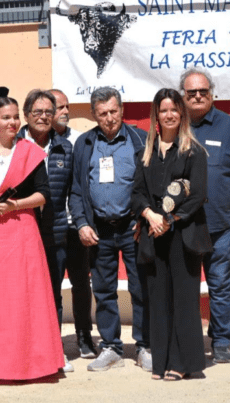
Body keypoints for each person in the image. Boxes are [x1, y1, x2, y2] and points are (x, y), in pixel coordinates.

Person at [0, 89, 63, 381]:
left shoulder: (31, 152)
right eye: (6, 117)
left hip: (21, 233)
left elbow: (44, 194)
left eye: (16, 117)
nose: (13, 122)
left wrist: (14, 205)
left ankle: (30, 364)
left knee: (23, 300)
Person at [180, 68, 230, 364]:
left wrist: (226, 198)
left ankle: (220, 342)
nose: (198, 96)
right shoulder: (175, 126)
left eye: (203, 91)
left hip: (220, 227)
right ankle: (187, 339)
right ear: (183, 97)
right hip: (184, 226)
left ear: (212, 93)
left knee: (219, 286)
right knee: (186, 287)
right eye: (192, 93)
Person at [68, 87, 152, 373]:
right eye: (102, 113)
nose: (109, 118)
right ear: (94, 115)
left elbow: (152, 184)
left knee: (142, 287)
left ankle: (144, 346)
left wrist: (145, 219)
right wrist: (81, 222)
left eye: (114, 111)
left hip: (134, 228)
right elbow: (77, 189)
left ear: (122, 110)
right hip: (99, 230)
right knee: (104, 291)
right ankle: (112, 347)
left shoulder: (140, 139)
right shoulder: (85, 143)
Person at [132, 88, 211, 380]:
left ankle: (182, 362)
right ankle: (161, 360)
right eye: (163, 110)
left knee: (184, 300)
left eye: (174, 110)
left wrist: (169, 219)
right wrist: (150, 215)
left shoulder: (194, 151)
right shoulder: (145, 153)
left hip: (183, 234)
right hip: (154, 233)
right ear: (156, 115)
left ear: (182, 115)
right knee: (158, 298)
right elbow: (137, 193)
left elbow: (198, 195)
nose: (169, 115)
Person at [16, 89, 75, 372]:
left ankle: (54, 351)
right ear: (26, 115)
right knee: (20, 294)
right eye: (37, 112)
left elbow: (72, 192)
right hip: (17, 233)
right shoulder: (12, 145)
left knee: (52, 294)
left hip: (55, 230)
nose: (43, 117)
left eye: (48, 112)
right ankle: (20, 350)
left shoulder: (65, 147)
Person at [49, 89, 97, 359]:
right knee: (53, 287)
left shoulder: (80, 140)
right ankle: (54, 341)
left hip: (77, 226)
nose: (66, 112)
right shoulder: (35, 141)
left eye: (67, 106)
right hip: (52, 228)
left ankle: (84, 336)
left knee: (81, 283)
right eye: (60, 107)